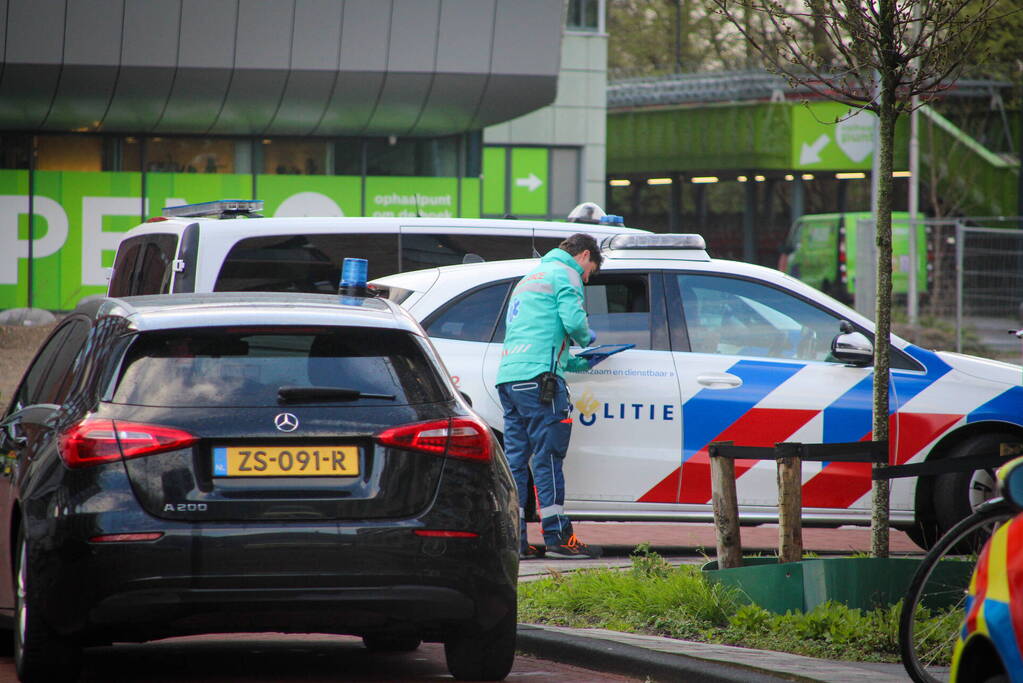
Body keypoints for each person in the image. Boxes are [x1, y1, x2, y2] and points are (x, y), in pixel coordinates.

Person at [496, 233, 603, 560]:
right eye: (590, 272)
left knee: (516, 462)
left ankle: (514, 541)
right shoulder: (566, 272)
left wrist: (577, 362)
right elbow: (573, 322)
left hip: (509, 379)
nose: (586, 279)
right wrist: (588, 337)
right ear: (584, 255)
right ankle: (558, 538)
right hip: (541, 383)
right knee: (548, 458)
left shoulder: (529, 278)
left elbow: (541, 336)